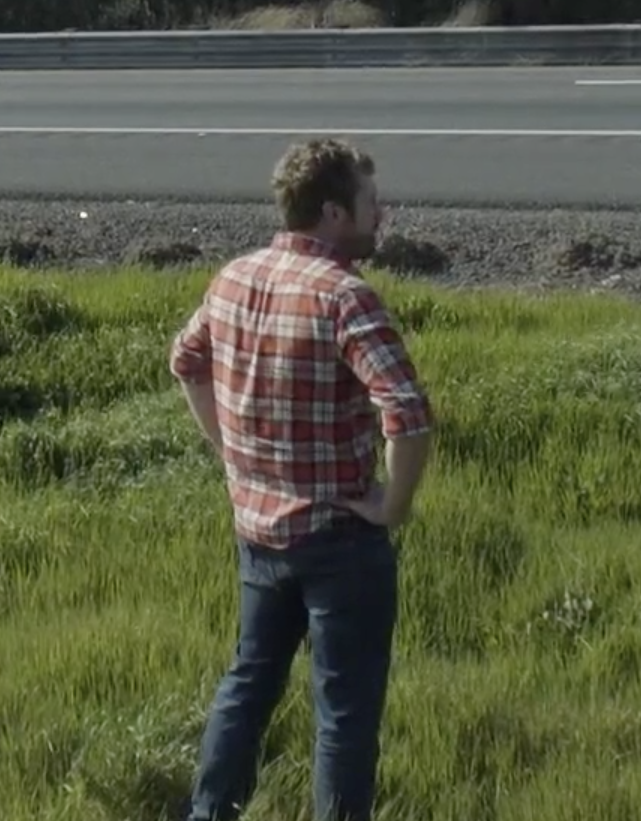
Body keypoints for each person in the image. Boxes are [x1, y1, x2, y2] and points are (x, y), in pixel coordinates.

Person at [169, 137, 435, 821]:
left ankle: (210, 811)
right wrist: (393, 506)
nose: (383, 214)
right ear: (333, 213)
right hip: (340, 536)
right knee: (344, 711)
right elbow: (407, 415)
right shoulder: (346, 296)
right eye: (372, 202)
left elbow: (186, 361)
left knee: (249, 682)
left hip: (258, 530)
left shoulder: (235, 275)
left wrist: (231, 451)